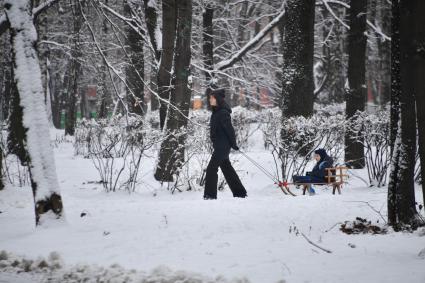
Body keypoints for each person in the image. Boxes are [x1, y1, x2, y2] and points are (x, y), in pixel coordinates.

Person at [203, 88, 247, 200]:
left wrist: (233, 143)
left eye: (212, 98)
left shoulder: (222, 113)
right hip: (219, 146)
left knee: (211, 169)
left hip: (222, 147)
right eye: (210, 98)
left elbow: (229, 129)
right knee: (227, 169)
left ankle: (210, 195)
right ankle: (240, 193)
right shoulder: (217, 111)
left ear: (217, 99)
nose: (210, 100)